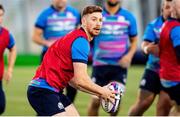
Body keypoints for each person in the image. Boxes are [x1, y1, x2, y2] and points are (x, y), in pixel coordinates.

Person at [27, 5, 116, 116]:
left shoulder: (77, 37)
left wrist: (99, 93)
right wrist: (102, 91)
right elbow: (81, 80)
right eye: (94, 19)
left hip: (52, 91)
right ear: (84, 21)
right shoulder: (81, 42)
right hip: (43, 90)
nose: (98, 23)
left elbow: (73, 81)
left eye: (100, 20)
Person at [87, 0, 138, 116]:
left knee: (114, 103)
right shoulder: (97, 16)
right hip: (99, 66)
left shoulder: (128, 17)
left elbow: (134, 41)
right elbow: (87, 36)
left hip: (119, 67)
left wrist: (128, 56)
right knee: (95, 101)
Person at [128, 0, 173, 116]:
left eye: (172, 7)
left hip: (170, 73)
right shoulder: (154, 25)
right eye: (167, 7)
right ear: (162, 8)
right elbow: (145, 44)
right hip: (153, 70)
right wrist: (147, 49)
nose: (170, 10)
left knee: (164, 106)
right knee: (142, 104)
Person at [32, 0, 81, 102]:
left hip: (69, 56)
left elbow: (78, 33)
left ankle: (65, 109)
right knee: (49, 88)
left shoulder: (75, 13)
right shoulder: (45, 14)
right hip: (50, 56)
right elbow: (35, 37)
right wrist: (47, 43)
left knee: (73, 87)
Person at [158, 0, 180, 115]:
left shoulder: (167, 24)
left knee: (177, 108)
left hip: (167, 77)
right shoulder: (176, 29)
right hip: (175, 78)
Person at [0, 4, 16, 114]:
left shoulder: (5, 34)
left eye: (1, 15)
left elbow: (13, 48)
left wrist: (9, 69)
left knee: (1, 106)